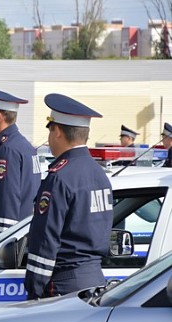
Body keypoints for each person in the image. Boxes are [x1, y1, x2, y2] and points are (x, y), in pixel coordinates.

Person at [25, 93, 113, 300]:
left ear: (56, 132)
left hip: (63, 286)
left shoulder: (60, 177)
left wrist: (34, 290)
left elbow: (45, 240)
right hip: (95, 281)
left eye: (49, 130)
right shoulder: (99, 174)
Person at [0, 82, 41, 241]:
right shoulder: (23, 145)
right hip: (19, 239)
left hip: (5, 244)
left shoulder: (7, 150)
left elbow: (7, 204)